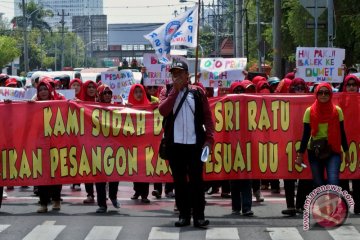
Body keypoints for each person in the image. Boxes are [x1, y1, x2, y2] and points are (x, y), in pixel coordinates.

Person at [159, 60, 214, 228]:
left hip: (195, 145)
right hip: (175, 145)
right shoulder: (167, 91)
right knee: (179, 182)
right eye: (174, 74)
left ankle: (199, 216)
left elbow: (207, 117)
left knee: (197, 181)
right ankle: (184, 215)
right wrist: (174, 92)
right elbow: (162, 110)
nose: (176, 77)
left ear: (187, 75)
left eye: (179, 73)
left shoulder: (197, 93)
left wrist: (209, 139)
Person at [295, 83, 350, 188]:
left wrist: (347, 153)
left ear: (330, 94)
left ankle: (332, 204)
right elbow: (305, 135)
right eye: (320, 92)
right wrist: (300, 155)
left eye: (326, 92)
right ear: (316, 94)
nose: (323, 95)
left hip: (333, 150)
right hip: (315, 151)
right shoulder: (309, 111)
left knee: (333, 182)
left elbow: (342, 133)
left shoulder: (337, 111)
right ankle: (323, 204)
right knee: (318, 184)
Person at [282, 78, 313, 216]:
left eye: (301, 87)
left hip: (305, 143)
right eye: (296, 87)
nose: (299, 90)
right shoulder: (283, 103)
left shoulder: (312, 102)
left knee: (305, 175)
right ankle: (290, 206)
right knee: (288, 174)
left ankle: (300, 205)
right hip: (287, 143)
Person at [35, 80, 64, 213]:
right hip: (40, 145)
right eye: (40, 90)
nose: (43, 92)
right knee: (42, 174)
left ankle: (56, 200)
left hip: (56, 144)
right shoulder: (32, 105)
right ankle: (43, 203)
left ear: (49, 90)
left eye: (45, 89)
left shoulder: (59, 103)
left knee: (56, 173)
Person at [228, 82, 254, 216]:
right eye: (236, 90)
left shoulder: (250, 108)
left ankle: (247, 207)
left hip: (247, 147)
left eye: (241, 90)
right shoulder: (226, 108)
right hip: (231, 148)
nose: (238, 93)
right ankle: (236, 207)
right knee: (234, 180)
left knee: (246, 179)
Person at [94, 84, 121, 213]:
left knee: (115, 174)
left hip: (114, 147)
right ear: (100, 95)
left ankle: (113, 196)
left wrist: (129, 109)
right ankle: (102, 204)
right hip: (98, 148)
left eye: (109, 93)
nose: (107, 95)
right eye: (105, 93)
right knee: (100, 178)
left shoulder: (117, 107)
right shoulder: (92, 108)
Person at [339, 74, 360, 214]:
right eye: (349, 84)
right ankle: (344, 205)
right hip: (342, 142)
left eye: (354, 84)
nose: (351, 87)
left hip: (358, 142)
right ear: (345, 86)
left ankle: (358, 205)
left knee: (358, 176)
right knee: (343, 176)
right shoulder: (338, 101)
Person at [128, 84, 152, 204]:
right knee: (135, 169)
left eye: (140, 92)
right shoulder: (128, 107)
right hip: (132, 143)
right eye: (136, 92)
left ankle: (144, 194)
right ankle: (137, 191)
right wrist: (126, 109)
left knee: (144, 168)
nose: (138, 94)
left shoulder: (149, 107)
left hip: (145, 144)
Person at [80, 80, 98, 203]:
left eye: (93, 87)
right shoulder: (79, 103)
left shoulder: (101, 102)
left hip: (99, 141)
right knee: (87, 169)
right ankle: (90, 194)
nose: (91, 89)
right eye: (88, 87)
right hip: (84, 141)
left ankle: (102, 193)